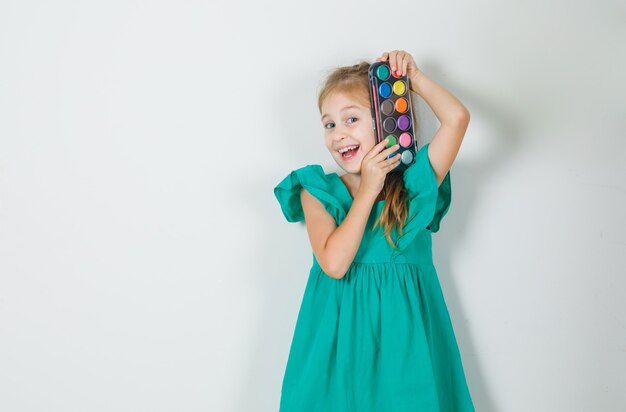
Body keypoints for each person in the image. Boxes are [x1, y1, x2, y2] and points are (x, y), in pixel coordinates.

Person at [273, 50, 474, 411]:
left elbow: (457, 119)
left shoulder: (415, 186)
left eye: (351, 119)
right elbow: (334, 263)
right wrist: (367, 189)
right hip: (338, 350)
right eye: (329, 124)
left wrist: (413, 78)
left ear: (385, 121)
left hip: (405, 348)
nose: (338, 134)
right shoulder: (317, 191)